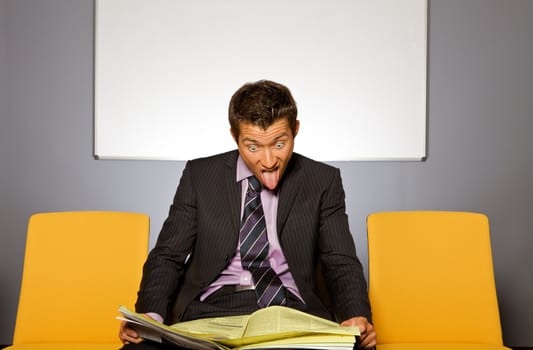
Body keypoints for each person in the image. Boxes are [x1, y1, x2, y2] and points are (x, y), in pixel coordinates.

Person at [119, 80, 376, 349]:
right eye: (253, 147)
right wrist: (150, 315)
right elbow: (168, 255)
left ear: (295, 130)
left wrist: (354, 314)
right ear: (234, 136)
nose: (268, 161)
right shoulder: (200, 176)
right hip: (210, 308)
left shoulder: (322, 180)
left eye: (279, 144)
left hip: (292, 311)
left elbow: (340, 260)